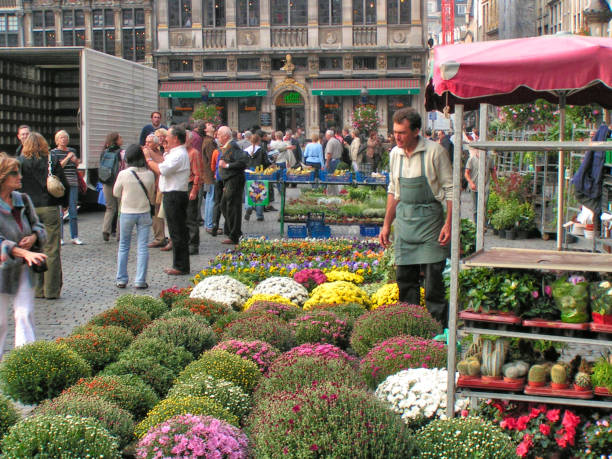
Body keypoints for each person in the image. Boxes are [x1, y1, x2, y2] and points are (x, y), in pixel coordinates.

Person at [379, 107, 453, 328]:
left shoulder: (435, 152)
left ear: (416, 131)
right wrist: (386, 225)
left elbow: (450, 190)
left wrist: (448, 224)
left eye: (401, 132)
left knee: (433, 285)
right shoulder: (395, 154)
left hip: (431, 223)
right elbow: (394, 191)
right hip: (405, 224)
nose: (397, 137)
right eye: (395, 132)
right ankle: (410, 331)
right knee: (405, 281)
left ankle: (437, 331)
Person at [0, 153, 47, 360]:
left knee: (24, 314)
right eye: (14, 173)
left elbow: (39, 226)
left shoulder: (24, 200)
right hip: (2, 270)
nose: (20, 176)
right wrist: (22, 252)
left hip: (24, 268)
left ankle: (24, 363)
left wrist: (34, 236)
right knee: (0, 321)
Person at [18, 132, 69, 300]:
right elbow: (63, 183)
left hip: (28, 209)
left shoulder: (21, 162)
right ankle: (52, 290)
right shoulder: (51, 159)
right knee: (52, 249)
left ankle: (37, 289)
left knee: (34, 248)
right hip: (49, 207)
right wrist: (65, 203)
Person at [144, 125, 191, 275]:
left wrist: (148, 158)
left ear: (176, 139)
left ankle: (180, 266)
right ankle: (179, 264)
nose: (165, 139)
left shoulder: (178, 154)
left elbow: (161, 170)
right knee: (176, 231)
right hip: (172, 194)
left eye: (168, 136)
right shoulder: (174, 153)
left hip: (175, 195)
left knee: (177, 232)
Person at [113, 144, 155, 289]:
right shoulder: (150, 174)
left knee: (124, 246)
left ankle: (121, 279)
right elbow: (152, 195)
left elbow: (116, 193)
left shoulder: (123, 174)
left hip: (127, 212)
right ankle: (140, 280)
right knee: (142, 247)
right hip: (144, 212)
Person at [216, 126, 248, 245]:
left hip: (234, 180)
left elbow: (243, 162)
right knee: (224, 205)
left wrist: (227, 166)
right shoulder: (227, 146)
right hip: (229, 181)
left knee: (232, 207)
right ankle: (233, 232)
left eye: (219, 134)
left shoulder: (233, 145)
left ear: (226, 136)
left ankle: (235, 234)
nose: (217, 136)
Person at [51, 130, 83, 245]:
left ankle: (75, 236)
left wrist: (75, 161)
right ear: (57, 140)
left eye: (65, 137)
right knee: (60, 212)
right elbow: (58, 166)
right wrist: (68, 157)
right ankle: (60, 237)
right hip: (61, 185)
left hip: (73, 183)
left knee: (73, 210)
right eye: (61, 138)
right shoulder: (54, 153)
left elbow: (76, 164)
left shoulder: (72, 150)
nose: (63, 139)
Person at [143, 134, 167, 248]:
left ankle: (160, 237)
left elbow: (159, 169)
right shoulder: (149, 152)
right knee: (156, 212)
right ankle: (160, 236)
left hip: (158, 186)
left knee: (157, 212)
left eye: (150, 142)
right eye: (146, 141)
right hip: (153, 186)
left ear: (156, 144)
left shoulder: (155, 153)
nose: (147, 144)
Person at [100, 132, 125, 242]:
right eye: (120, 137)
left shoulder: (104, 152)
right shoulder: (121, 152)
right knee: (121, 208)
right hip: (118, 181)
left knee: (110, 207)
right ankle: (120, 234)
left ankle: (106, 230)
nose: (122, 139)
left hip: (107, 181)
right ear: (116, 140)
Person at [465, 148, 497, 224]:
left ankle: (483, 225)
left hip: (485, 186)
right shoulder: (472, 159)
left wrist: (496, 184)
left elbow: (493, 172)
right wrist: (471, 183)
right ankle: (476, 224)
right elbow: (466, 173)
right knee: (475, 207)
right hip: (474, 187)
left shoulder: (489, 159)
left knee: (484, 205)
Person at [186, 131, 204, 255]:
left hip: (190, 185)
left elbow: (198, 173)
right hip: (182, 186)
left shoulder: (194, 153)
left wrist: (194, 189)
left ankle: (193, 244)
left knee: (191, 216)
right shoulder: (181, 152)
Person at [244, 134, 269, 222]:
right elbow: (266, 162)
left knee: (248, 192)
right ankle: (259, 215)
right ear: (259, 141)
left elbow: (243, 162)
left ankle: (248, 206)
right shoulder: (262, 150)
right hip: (259, 173)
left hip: (248, 173)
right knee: (260, 193)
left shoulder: (246, 150)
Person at [201, 122, 217, 234]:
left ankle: (208, 223)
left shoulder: (207, 141)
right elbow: (213, 159)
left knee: (209, 199)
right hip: (211, 174)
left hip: (207, 174)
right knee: (211, 199)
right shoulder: (209, 142)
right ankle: (209, 225)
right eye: (208, 125)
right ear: (206, 130)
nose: (211, 125)